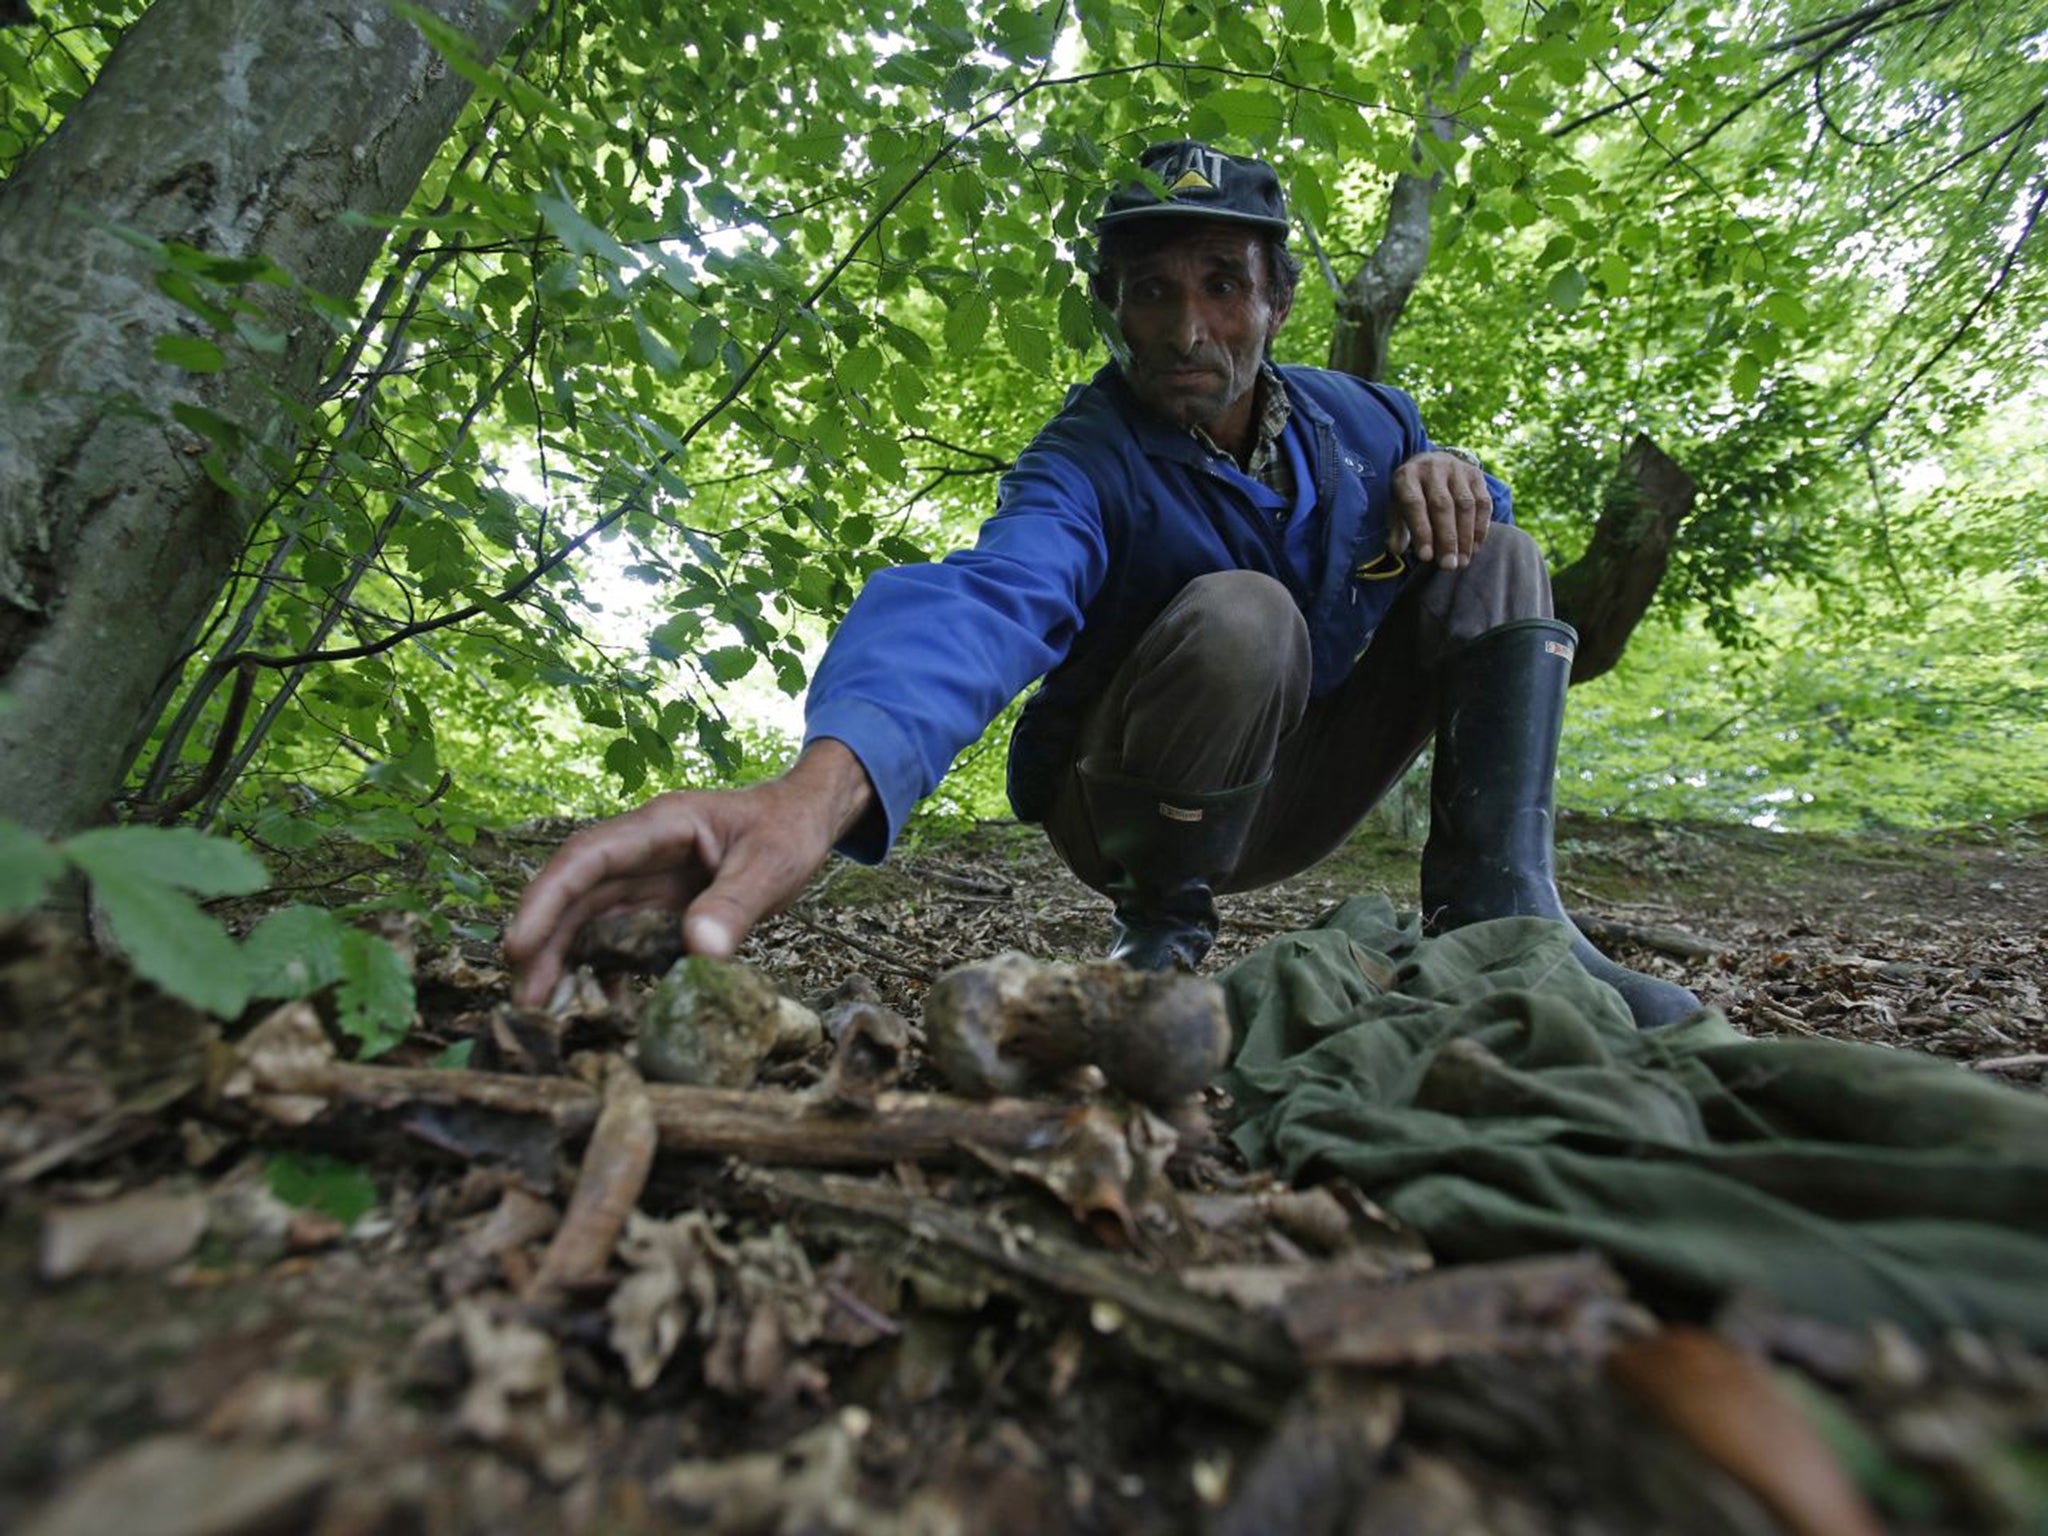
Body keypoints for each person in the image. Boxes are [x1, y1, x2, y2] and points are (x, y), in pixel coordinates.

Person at [506, 141, 1699, 1029]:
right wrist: (816, 791)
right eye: (1149, 290)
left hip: (1304, 779)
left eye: (1221, 284)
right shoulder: (1086, 459)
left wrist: (1456, 479)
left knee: (1502, 550)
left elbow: (1455, 525)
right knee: (1246, 609)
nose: (1188, 328)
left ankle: (1503, 915)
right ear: (1111, 310)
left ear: (1275, 302)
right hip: (1123, 806)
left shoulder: (1367, 420)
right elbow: (989, 598)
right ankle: (1160, 930)